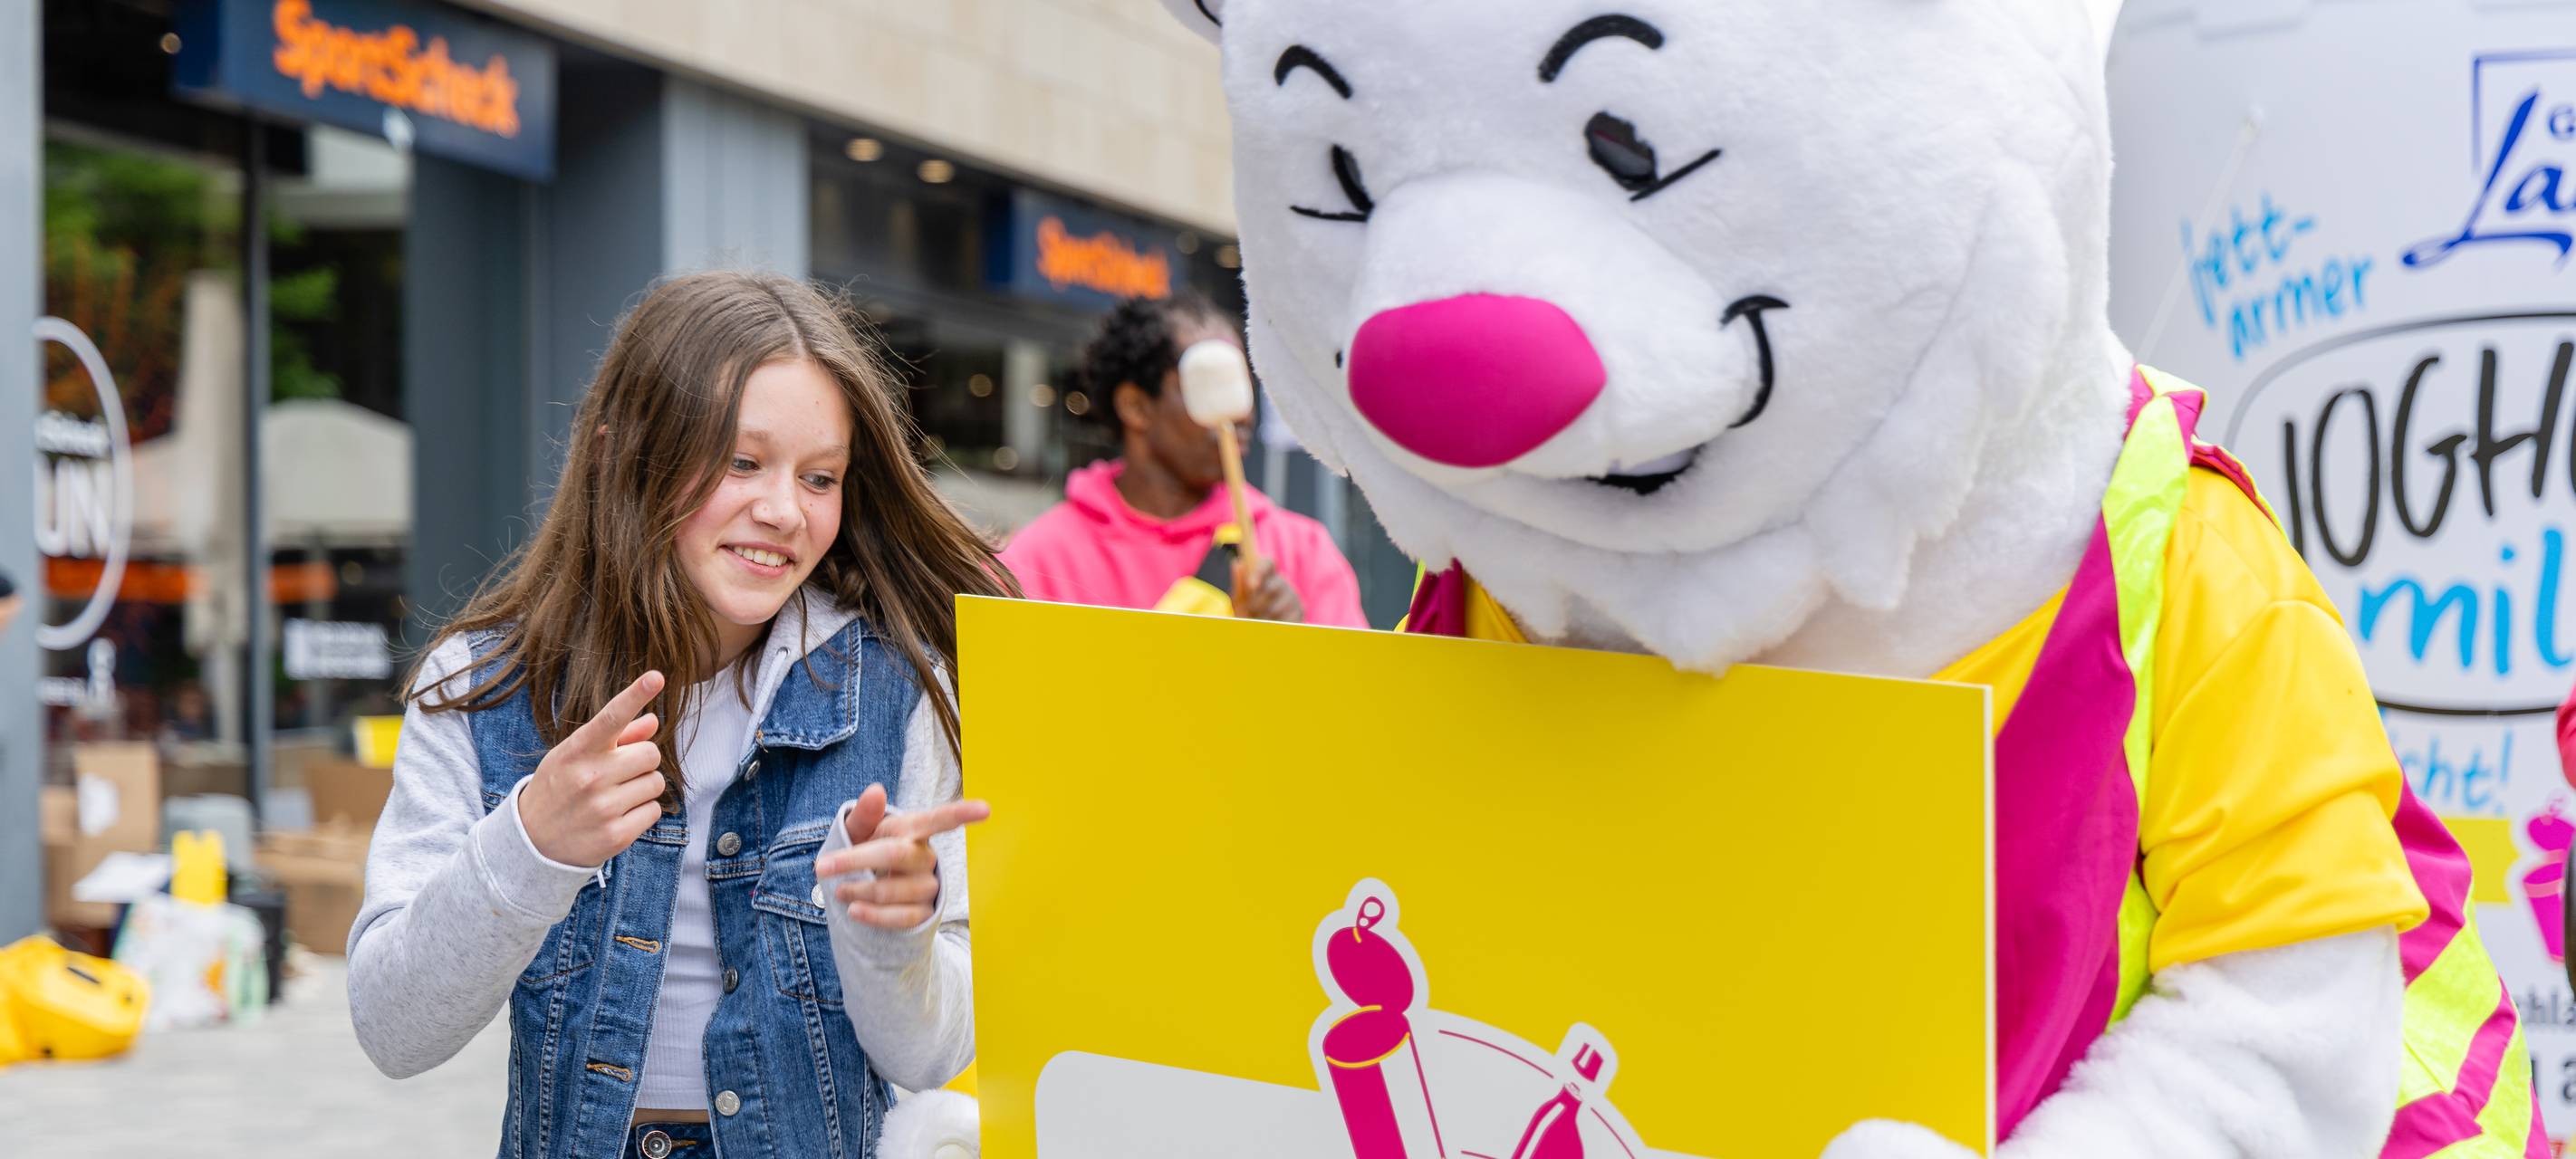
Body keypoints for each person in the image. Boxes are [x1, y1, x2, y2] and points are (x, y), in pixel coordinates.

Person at [348, 272, 1007, 1159]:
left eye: (820, 477)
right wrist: (531, 842)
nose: (783, 511)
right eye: (742, 461)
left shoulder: (899, 691)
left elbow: (931, 1055)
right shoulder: (483, 686)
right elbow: (394, 1029)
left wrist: (892, 938)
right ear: (624, 450)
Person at [1000, 293, 1367, 627]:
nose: (1241, 414)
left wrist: (1301, 647)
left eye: (1240, 381)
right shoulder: (1038, 562)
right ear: (1136, 406)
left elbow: (1356, 693)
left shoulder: (1302, 553)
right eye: (1206, 383)